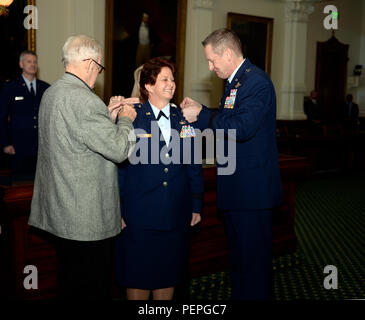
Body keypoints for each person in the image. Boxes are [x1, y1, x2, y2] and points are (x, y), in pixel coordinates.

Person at [28, 35, 137, 299]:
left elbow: (75, 141)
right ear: (90, 62)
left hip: (60, 213)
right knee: (91, 289)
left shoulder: (51, 93)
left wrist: (105, 118)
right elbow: (121, 150)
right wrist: (124, 120)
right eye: (99, 67)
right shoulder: (86, 101)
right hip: (86, 222)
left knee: (69, 283)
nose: (98, 73)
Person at [180, 28, 282, 300]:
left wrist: (202, 115)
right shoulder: (236, 82)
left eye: (212, 61)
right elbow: (228, 120)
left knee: (254, 266)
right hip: (237, 190)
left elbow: (242, 128)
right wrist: (203, 110)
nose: (210, 67)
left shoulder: (256, 82)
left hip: (252, 192)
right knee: (239, 264)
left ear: (228, 53)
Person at [115, 57, 203, 300]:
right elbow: (120, 167)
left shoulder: (184, 118)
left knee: (168, 275)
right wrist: (118, 208)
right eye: (164, 79)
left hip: (175, 213)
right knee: (138, 276)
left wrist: (196, 203)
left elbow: (192, 163)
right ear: (148, 86)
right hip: (139, 215)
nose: (171, 84)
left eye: (172, 79)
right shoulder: (132, 117)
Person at [0, 50, 50, 179]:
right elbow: (2, 118)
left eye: (35, 62)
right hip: (18, 147)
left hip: (41, 147)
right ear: (21, 64)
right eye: (29, 61)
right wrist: (5, 143)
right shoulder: (10, 87)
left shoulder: (45, 88)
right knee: (20, 187)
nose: (33, 64)